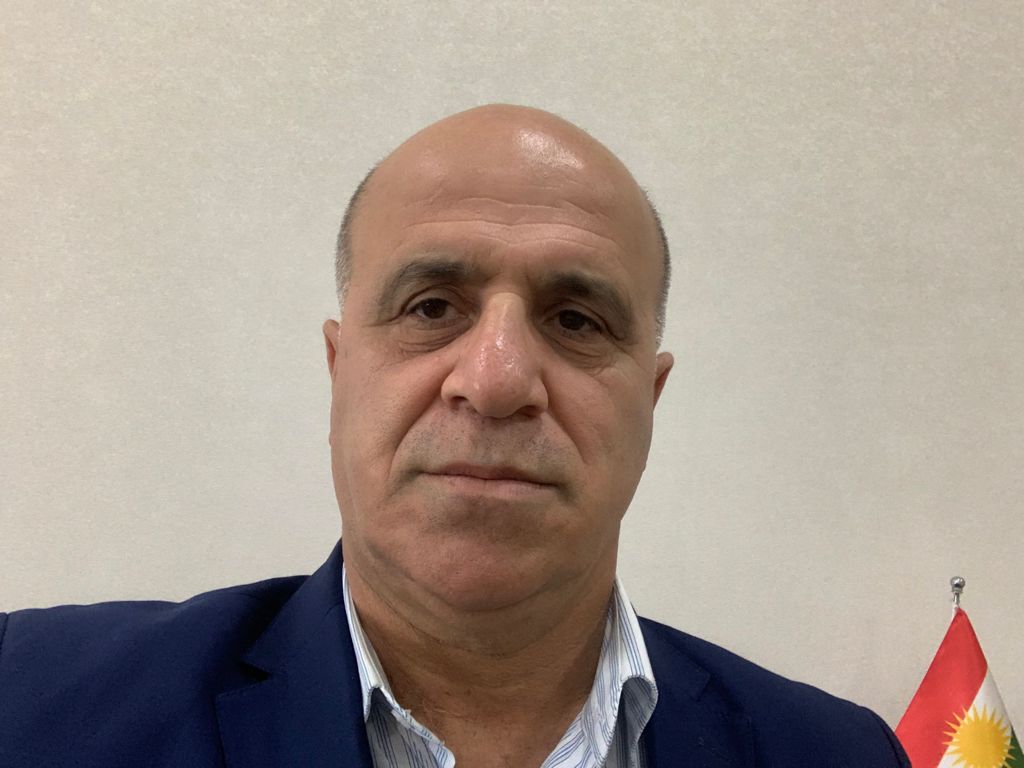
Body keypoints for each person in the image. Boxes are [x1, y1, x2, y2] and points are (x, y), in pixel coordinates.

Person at [0, 105, 909, 767]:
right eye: (431, 307)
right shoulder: (30, 704)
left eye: (577, 320)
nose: (497, 379)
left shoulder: (840, 754)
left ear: (652, 399)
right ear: (338, 372)